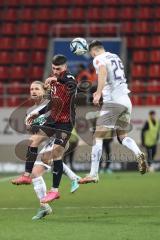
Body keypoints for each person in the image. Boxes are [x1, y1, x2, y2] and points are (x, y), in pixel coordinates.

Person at [79, 40, 148, 184]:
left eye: (91, 55)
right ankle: (138, 153)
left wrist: (98, 93)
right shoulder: (115, 56)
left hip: (113, 103)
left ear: (93, 51)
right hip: (126, 101)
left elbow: (103, 71)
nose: (92, 57)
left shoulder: (98, 59)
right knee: (122, 136)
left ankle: (93, 174)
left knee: (97, 136)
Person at [11, 80, 80, 219]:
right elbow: (34, 132)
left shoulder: (53, 104)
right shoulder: (31, 111)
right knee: (35, 174)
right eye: (31, 89)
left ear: (45, 91)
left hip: (60, 137)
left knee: (49, 158)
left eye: (37, 88)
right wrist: (32, 126)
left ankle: (72, 180)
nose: (33, 91)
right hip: (49, 141)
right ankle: (45, 206)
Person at [26, 54, 77, 203]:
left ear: (65, 67)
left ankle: (56, 189)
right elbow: (53, 103)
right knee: (38, 145)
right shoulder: (54, 83)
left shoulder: (69, 79)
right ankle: (28, 175)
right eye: (54, 69)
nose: (55, 71)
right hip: (53, 122)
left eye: (58, 69)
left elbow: (73, 86)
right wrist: (38, 113)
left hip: (65, 123)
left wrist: (58, 79)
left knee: (54, 154)